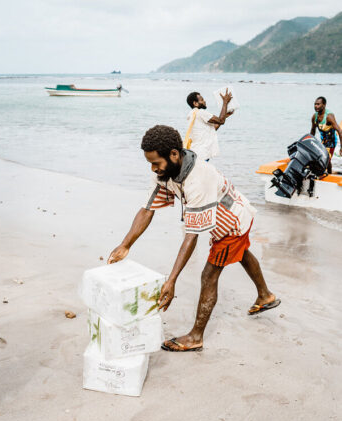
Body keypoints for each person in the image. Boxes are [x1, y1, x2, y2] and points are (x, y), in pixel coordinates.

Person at [108, 125, 280, 352]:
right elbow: (147, 209)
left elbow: (191, 236)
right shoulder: (166, 172)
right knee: (242, 254)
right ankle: (265, 295)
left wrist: (171, 280)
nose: (153, 169)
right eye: (150, 163)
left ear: (174, 154)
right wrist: (125, 245)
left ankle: (196, 336)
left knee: (209, 275)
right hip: (235, 213)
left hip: (232, 223)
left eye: (156, 163)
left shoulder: (199, 178)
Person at [185, 90, 233, 161]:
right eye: (202, 100)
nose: (204, 101)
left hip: (196, 152)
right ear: (195, 103)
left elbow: (213, 128)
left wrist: (224, 116)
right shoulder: (201, 113)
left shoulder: (192, 114)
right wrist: (225, 102)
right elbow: (221, 121)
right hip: (202, 154)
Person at [311, 96, 342, 174]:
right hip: (323, 142)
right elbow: (312, 130)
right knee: (316, 159)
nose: (316, 106)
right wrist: (310, 143)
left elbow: (340, 131)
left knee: (326, 159)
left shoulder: (329, 116)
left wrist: (341, 147)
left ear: (324, 105)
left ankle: (330, 175)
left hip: (331, 143)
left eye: (318, 104)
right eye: (315, 104)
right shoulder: (315, 117)